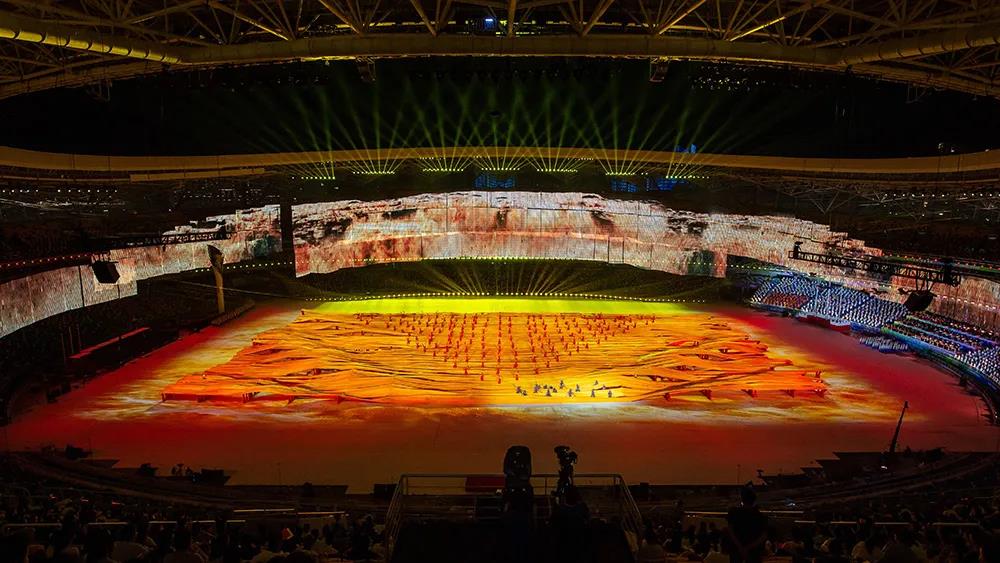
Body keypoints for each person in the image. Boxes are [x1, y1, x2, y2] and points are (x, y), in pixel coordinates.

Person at [725, 484, 768, 563]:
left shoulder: (733, 512)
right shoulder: (760, 516)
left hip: (736, 551)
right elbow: (763, 536)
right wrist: (748, 548)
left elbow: (730, 531)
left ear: (742, 498)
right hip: (753, 552)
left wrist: (740, 547)